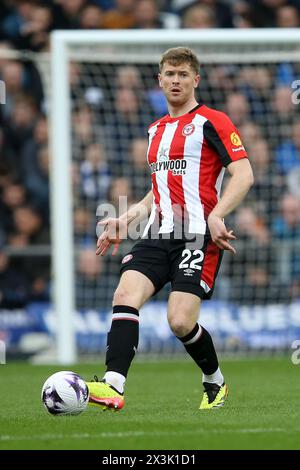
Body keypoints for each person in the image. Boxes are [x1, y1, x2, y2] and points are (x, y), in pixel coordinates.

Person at [86, 47, 254, 410]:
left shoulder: (213, 121)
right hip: (157, 232)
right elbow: (157, 188)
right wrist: (125, 218)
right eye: (169, 74)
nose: (175, 80)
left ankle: (215, 380)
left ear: (196, 80)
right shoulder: (155, 130)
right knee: (124, 295)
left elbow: (244, 173)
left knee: (179, 322)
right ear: (159, 80)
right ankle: (114, 386)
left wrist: (217, 214)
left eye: (182, 74)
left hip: (197, 234)